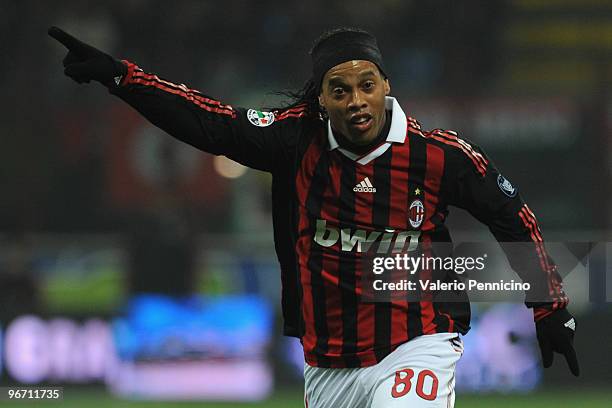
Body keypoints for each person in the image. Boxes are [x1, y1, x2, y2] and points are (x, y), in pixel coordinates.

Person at [49, 26, 579, 407]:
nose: (356, 101)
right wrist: (123, 78)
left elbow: (514, 216)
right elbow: (208, 122)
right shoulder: (292, 138)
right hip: (328, 363)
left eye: (366, 85)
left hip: (419, 339)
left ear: (386, 86)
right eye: (339, 90)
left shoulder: (436, 154)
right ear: (322, 99)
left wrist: (548, 306)